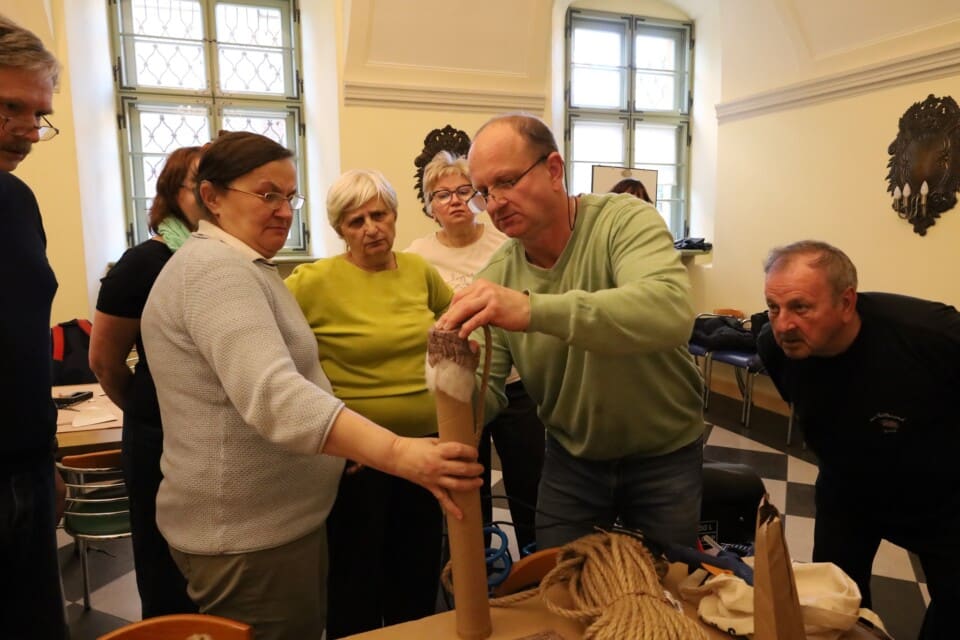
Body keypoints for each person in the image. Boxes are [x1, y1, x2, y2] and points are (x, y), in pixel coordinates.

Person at [141, 133, 482, 640]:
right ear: (212, 197)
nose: (283, 210)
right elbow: (277, 396)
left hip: (273, 523)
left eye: (288, 196)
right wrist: (398, 452)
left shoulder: (241, 267)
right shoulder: (218, 273)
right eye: (267, 195)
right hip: (247, 535)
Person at [437, 114, 705, 551]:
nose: (496, 202)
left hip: (664, 456)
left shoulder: (623, 221)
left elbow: (669, 311)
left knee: (667, 596)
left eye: (507, 181)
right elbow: (485, 402)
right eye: (485, 193)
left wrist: (532, 309)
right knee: (561, 591)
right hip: (572, 461)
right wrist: (456, 373)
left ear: (554, 169)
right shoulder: (499, 273)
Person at [757, 239, 960, 640]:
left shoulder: (932, 336)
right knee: (834, 607)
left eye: (800, 307)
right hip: (849, 490)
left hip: (945, 499)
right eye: (773, 307)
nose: (783, 324)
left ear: (847, 303)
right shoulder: (775, 346)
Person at [286, 169, 453, 638]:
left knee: (417, 567)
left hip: (425, 446)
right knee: (355, 574)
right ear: (340, 230)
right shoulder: (312, 281)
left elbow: (455, 322)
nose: (371, 228)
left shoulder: (419, 271)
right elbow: (277, 355)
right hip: (355, 454)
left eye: (378, 214)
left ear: (395, 215)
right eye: (355, 221)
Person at [406, 150, 545, 553]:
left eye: (464, 190)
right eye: (442, 194)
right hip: (459, 389)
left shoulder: (507, 244)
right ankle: (477, 563)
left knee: (529, 478)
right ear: (430, 207)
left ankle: (536, 564)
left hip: (517, 382)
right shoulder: (417, 256)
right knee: (471, 480)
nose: (454, 200)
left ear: (479, 198)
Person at [89, 146, 204, 618]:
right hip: (158, 438)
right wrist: (147, 411)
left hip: (206, 438)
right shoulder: (143, 263)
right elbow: (104, 362)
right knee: (164, 573)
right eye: (199, 184)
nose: (210, 193)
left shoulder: (225, 260)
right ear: (172, 194)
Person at [0, 16, 68, 640]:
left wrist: (44, 458)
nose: (26, 130)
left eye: (37, 114)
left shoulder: (18, 202)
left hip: (24, 473)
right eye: (8, 108)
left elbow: (23, 345)